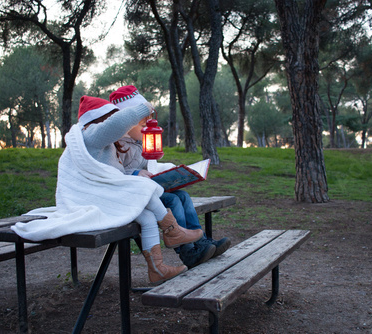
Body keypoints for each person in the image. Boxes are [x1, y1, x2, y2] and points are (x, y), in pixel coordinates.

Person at [13, 95, 203, 285]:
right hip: (95, 198)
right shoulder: (91, 136)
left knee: (147, 217)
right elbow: (117, 124)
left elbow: (115, 175)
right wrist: (145, 107)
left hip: (107, 196)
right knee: (142, 187)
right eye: (112, 117)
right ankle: (172, 230)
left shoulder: (107, 145)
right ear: (101, 119)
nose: (124, 127)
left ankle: (157, 269)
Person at [109, 85, 231, 268]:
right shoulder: (116, 145)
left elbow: (149, 166)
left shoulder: (139, 142)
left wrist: (168, 174)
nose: (146, 125)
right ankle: (187, 251)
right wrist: (135, 173)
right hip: (131, 196)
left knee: (182, 196)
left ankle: (201, 241)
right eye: (142, 123)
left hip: (146, 190)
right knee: (173, 201)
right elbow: (111, 174)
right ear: (126, 122)